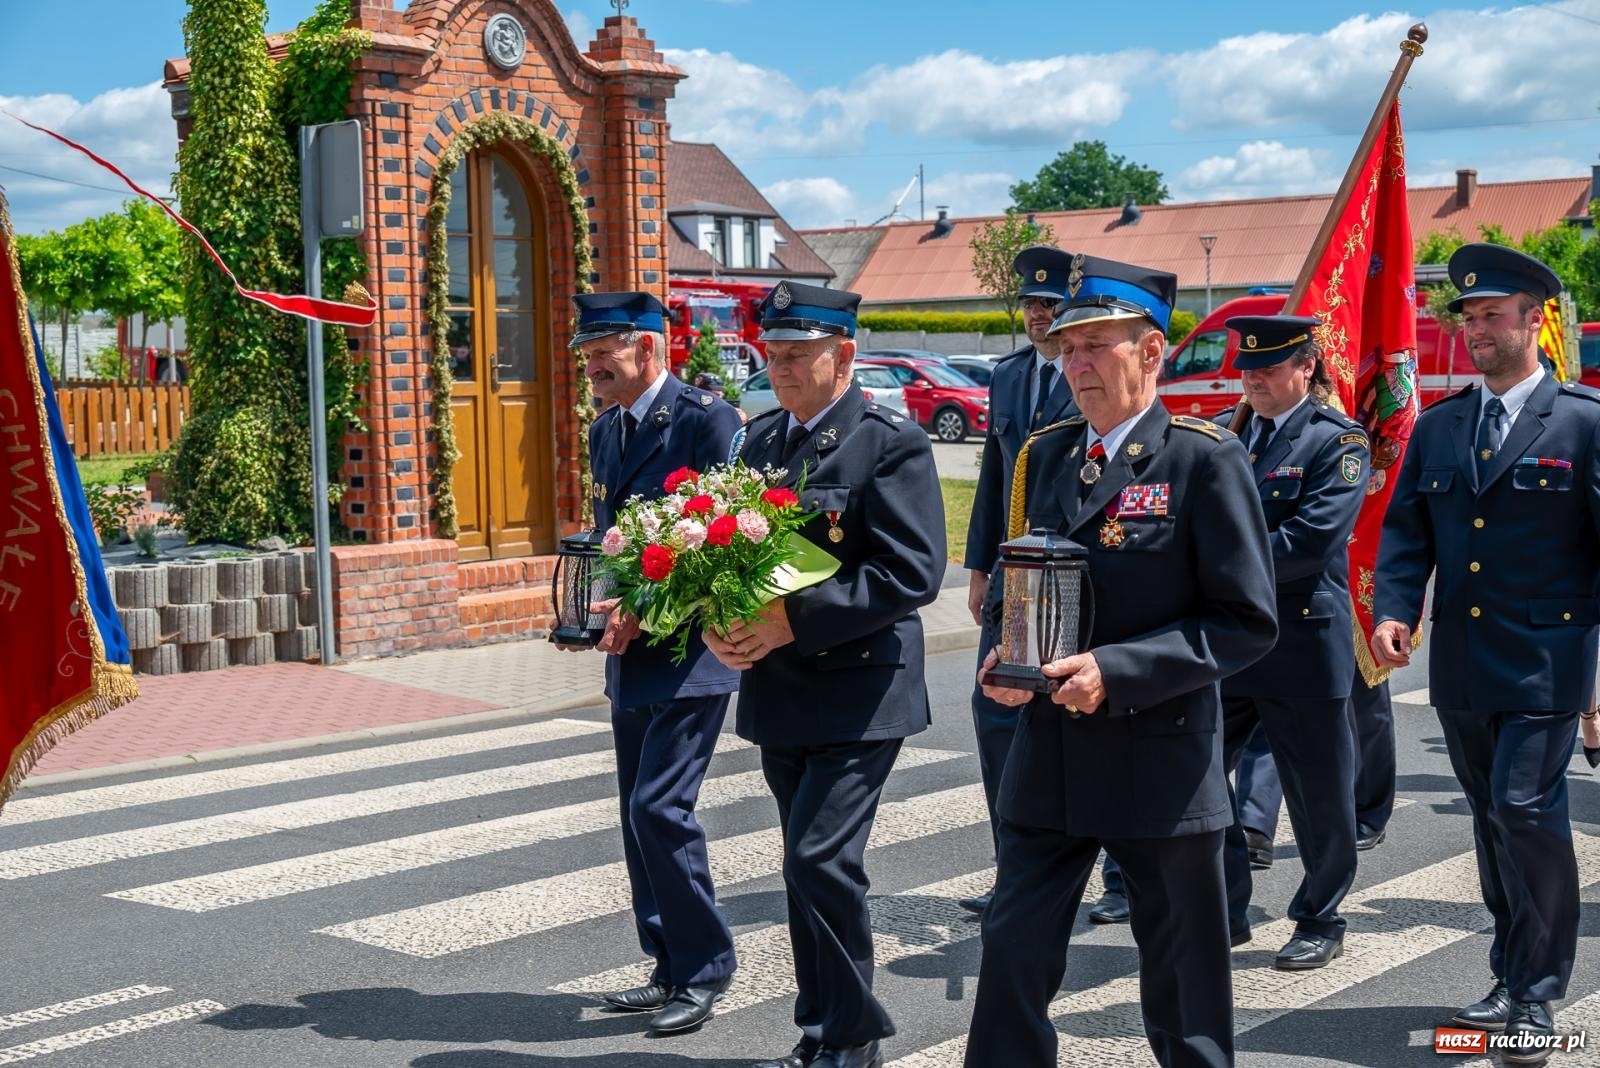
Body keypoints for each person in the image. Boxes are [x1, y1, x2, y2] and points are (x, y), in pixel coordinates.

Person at [966, 255, 1277, 1068]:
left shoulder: (1203, 460)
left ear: (1151, 352)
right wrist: (1004, 654)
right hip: (1050, 757)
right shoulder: (1047, 455)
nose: (1076, 363)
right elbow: (1017, 577)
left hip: (1158, 757)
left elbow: (1245, 622)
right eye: (1069, 347)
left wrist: (1121, 670)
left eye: (1096, 345)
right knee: (1011, 953)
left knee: (1183, 985)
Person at [703, 280, 945, 1068]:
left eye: (797, 355)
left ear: (844, 355)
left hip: (860, 688)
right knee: (800, 862)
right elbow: (731, 558)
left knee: (819, 859)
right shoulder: (760, 442)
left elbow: (911, 573)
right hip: (780, 688)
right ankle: (821, 1029)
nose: (780, 368)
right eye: (771, 354)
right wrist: (720, 623)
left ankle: (852, 1035)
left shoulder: (889, 440)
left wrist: (789, 622)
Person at [1372, 243, 1600, 1064]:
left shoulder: (1583, 422)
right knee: (1491, 821)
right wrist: (1394, 610)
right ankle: (1508, 972)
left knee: (1524, 809)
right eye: (1467, 318)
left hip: (1548, 661)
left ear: (1534, 319)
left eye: (1491, 316)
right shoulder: (1441, 427)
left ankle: (1539, 995)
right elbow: (1406, 535)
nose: (1476, 331)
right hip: (1465, 665)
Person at [563, 291, 745, 1035]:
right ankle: (668, 963)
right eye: (587, 352)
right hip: (630, 651)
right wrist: (594, 605)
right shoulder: (607, 430)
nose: (593, 364)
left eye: (606, 349)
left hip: (691, 649)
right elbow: (614, 538)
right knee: (636, 817)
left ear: (650, 346)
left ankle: (706, 967)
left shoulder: (708, 420)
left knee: (658, 808)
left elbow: (727, 541)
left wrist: (650, 608)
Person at [1213, 313, 1369, 970]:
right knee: (1192, 770)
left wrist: (1212, 568)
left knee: (1319, 793)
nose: (1254, 381)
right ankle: (1225, 906)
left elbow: (1309, 542)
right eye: (1247, 369)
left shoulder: (1336, 442)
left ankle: (1320, 915)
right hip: (1229, 644)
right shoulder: (1224, 433)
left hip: (1302, 640)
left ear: (1306, 367)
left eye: (1269, 369)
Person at [961, 244, 1080, 917]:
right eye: (1033, 303)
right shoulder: (1008, 376)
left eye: (1052, 304)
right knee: (995, 719)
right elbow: (991, 478)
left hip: (1069, 574)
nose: (1041, 314)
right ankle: (1013, 869)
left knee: (1078, 724)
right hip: (1012, 574)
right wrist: (979, 567)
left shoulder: (1087, 372)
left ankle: (1119, 875)